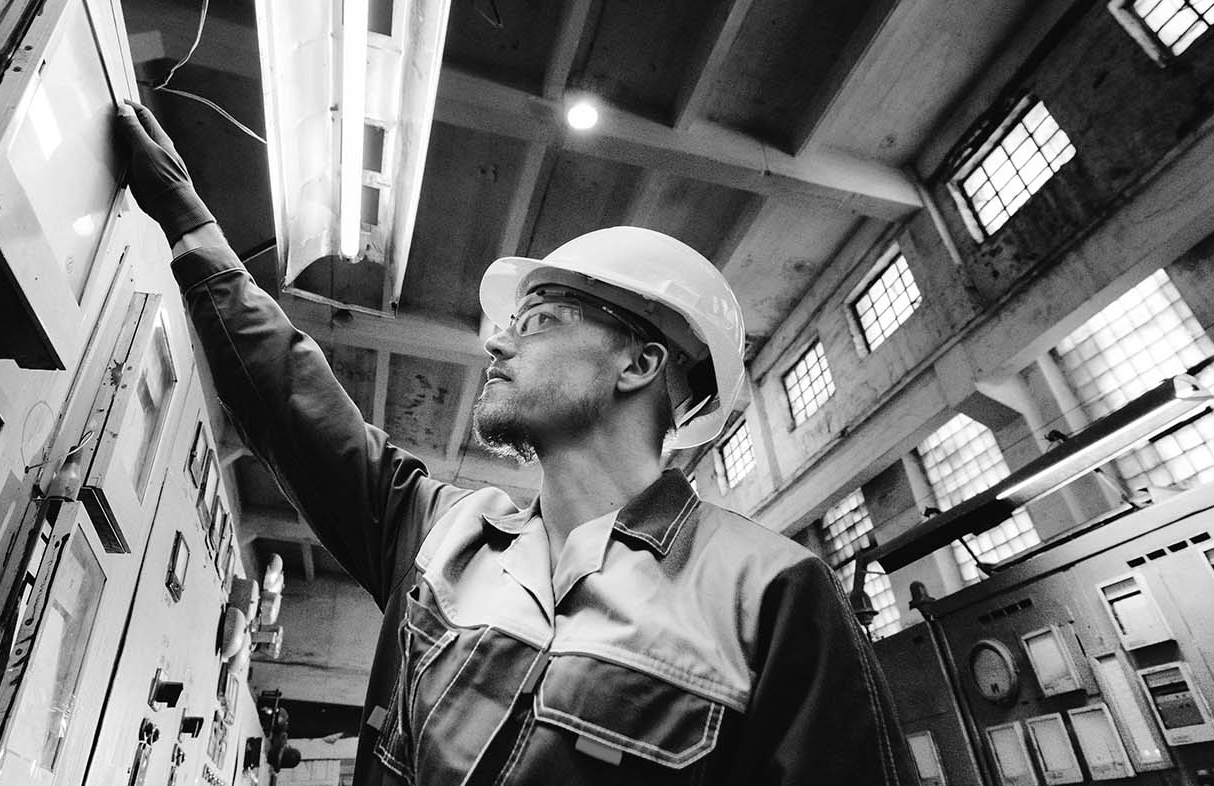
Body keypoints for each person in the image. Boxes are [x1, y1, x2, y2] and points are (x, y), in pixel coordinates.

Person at [117, 100, 902, 785]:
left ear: (640, 363)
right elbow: (293, 401)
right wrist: (192, 228)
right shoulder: (441, 533)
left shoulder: (771, 598)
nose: (497, 345)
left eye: (539, 321)